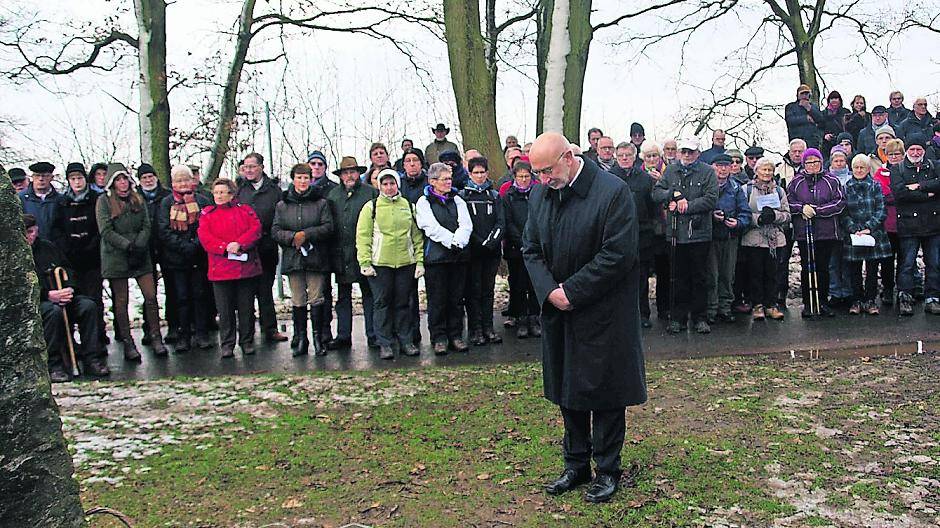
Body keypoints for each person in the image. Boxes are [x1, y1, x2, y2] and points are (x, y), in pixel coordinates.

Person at [523, 131, 646, 504]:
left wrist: (571, 292)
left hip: (604, 312)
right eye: (538, 173)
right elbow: (530, 249)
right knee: (568, 390)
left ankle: (608, 469)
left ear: (568, 156)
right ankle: (576, 464)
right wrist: (550, 292)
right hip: (560, 313)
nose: (543, 180)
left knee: (607, 394)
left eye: (547, 171)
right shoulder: (541, 195)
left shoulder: (611, 192)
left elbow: (618, 255)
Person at [96, 163, 167, 359]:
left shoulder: (138, 198)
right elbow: (105, 230)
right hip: (116, 255)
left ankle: (155, 336)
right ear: (112, 182)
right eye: (118, 180)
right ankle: (128, 342)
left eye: (125, 178)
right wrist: (126, 245)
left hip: (140, 253)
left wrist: (139, 244)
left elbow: (146, 224)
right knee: (121, 301)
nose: (123, 183)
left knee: (150, 296)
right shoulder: (104, 201)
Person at [26, 214, 110, 381]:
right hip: (39, 302)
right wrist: (47, 295)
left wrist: (70, 288)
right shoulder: (15, 254)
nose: (31, 236)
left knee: (88, 306)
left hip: (62, 295)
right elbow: (21, 285)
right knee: (53, 312)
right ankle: (54, 364)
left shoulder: (48, 247)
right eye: (27, 232)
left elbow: (67, 269)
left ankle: (91, 358)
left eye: (33, 231)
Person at [652, 138, 719, 334]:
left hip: (699, 234)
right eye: (684, 151)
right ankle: (678, 317)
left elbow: (711, 199)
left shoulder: (707, 172)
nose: (687, 155)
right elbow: (657, 193)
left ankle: (700, 317)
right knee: (677, 277)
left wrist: (686, 205)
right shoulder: (671, 171)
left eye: (691, 151)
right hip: (675, 234)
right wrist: (673, 195)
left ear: (698, 153)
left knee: (700, 277)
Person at [356, 169, 424, 360]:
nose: (389, 187)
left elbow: (416, 236)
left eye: (392, 183)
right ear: (379, 185)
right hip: (380, 264)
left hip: (405, 263)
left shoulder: (408, 206)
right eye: (384, 184)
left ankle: (406, 340)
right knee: (382, 304)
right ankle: (384, 343)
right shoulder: (371, 207)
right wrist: (365, 262)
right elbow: (363, 237)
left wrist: (419, 261)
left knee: (404, 303)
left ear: (397, 184)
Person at [272, 163, 335, 356]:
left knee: (316, 298)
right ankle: (301, 337)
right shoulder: (282, 205)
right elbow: (275, 230)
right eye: (299, 177)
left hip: (316, 258)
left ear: (311, 179)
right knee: (298, 299)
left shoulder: (320, 203)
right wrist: (292, 238)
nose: (302, 181)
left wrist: (306, 234)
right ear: (293, 179)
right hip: (293, 259)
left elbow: (328, 227)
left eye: (306, 178)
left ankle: (317, 338)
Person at [198, 178, 263, 358]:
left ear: (231, 194)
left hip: (245, 269)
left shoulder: (245, 211)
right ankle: (227, 344)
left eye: (222, 192)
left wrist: (240, 244)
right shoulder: (207, 214)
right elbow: (205, 237)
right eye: (216, 192)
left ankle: (247, 341)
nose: (218, 196)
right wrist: (224, 247)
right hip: (220, 269)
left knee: (246, 308)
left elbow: (255, 229)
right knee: (225, 311)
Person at [415, 162, 472, 354]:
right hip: (437, 259)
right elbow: (430, 227)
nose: (449, 182)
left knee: (456, 299)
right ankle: (439, 337)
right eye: (444, 179)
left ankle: (455, 335)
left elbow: (466, 224)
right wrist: (451, 241)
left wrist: (459, 241)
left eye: (450, 178)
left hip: (458, 258)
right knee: (438, 299)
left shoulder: (458, 200)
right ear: (433, 181)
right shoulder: (424, 202)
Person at [157, 165, 213, 353]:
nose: (182, 184)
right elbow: (163, 230)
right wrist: (182, 246)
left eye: (185, 180)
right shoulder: (166, 203)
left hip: (199, 256)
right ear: (173, 183)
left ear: (192, 181)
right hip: (176, 259)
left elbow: (207, 226)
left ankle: (202, 333)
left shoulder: (203, 201)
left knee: (200, 295)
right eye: (178, 180)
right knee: (181, 297)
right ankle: (183, 335)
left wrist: (195, 244)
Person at [236, 152, 289, 343]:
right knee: (245, 293)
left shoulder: (274, 190)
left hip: (266, 247)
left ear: (261, 167)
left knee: (265, 290)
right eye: (246, 167)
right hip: (244, 249)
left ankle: (270, 329)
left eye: (252, 166)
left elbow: (280, 217)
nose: (249, 170)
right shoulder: (239, 190)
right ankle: (246, 332)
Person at [327, 156, 379, 350]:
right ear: (340, 176)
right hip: (341, 254)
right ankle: (343, 335)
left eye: (353, 172)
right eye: (345, 172)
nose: (349, 175)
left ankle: (373, 334)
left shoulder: (371, 193)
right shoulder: (333, 196)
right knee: (343, 297)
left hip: (365, 253)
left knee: (369, 295)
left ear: (359, 173)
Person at [786, 148, 846, 318]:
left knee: (823, 267)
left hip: (826, 232)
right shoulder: (796, 181)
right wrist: (801, 208)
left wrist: (818, 211)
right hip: (804, 231)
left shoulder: (831, 180)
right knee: (807, 267)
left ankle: (823, 302)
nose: (812, 165)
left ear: (821, 162)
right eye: (809, 162)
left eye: (816, 162)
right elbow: (789, 201)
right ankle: (808, 303)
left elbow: (839, 202)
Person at [52, 162, 106, 346]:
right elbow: (57, 229)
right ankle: (75, 343)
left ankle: (96, 341)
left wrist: (91, 246)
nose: (77, 182)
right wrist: (67, 249)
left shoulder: (97, 198)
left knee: (94, 301)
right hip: (71, 259)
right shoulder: (61, 202)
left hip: (92, 259)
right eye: (73, 179)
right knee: (75, 301)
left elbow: (102, 227)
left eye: (80, 178)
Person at [890, 133, 940, 316]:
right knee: (907, 264)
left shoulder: (935, 165)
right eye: (912, 149)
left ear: (924, 150)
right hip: (909, 226)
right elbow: (900, 193)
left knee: (934, 263)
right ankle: (905, 297)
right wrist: (927, 194)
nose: (916, 152)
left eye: (919, 149)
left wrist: (919, 186)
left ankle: (932, 298)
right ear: (907, 150)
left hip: (934, 224)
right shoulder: (898, 169)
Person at [610, 142, 657, 327]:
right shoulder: (609, 177)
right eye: (621, 155)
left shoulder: (645, 178)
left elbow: (652, 206)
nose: (624, 158)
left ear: (634, 156)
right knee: (618, 278)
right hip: (617, 235)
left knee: (641, 277)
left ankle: (643, 314)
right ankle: (619, 315)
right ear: (616, 156)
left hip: (641, 235)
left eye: (628, 155)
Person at [460, 157, 505, 346]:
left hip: (491, 251)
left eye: (482, 172)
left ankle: (488, 327)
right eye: (475, 173)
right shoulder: (463, 196)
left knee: (488, 290)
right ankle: (475, 329)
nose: (480, 176)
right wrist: (478, 241)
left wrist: (492, 241)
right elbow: (463, 223)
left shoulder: (494, 196)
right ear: (470, 174)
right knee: (473, 291)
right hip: (473, 251)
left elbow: (501, 221)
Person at [841, 154, 892, 315]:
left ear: (868, 169)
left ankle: (870, 300)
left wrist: (869, 227)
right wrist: (853, 228)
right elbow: (844, 212)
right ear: (852, 169)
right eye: (856, 167)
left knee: (872, 270)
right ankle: (856, 300)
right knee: (854, 270)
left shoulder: (875, 186)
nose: (859, 170)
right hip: (854, 234)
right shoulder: (846, 187)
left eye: (862, 167)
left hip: (874, 234)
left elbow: (881, 210)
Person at [741, 158, 791, 321]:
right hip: (754, 238)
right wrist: (758, 219)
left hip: (774, 239)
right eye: (763, 170)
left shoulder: (779, 191)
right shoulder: (746, 190)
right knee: (755, 274)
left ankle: (771, 304)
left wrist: (774, 216)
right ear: (756, 171)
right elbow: (742, 212)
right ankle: (757, 305)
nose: (767, 173)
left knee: (773, 273)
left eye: (769, 170)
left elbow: (787, 215)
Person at [707, 154, 752, 323]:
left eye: (726, 165)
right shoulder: (706, 186)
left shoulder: (735, 188)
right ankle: (711, 308)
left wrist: (738, 222)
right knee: (712, 275)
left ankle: (725, 307)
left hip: (729, 237)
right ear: (712, 167)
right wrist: (712, 216)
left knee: (727, 274)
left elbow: (745, 212)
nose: (723, 169)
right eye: (719, 165)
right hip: (710, 237)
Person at [137, 163, 177, 345]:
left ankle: (173, 326)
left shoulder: (167, 195)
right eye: (144, 177)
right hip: (145, 249)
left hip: (166, 246)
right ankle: (149, 328)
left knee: (172, 288)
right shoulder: (135, 197)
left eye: (150, 176)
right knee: (148, 292)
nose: (148, 180)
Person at [502, 161, 541, 338]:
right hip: (515, 248)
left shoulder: (539, 193)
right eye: (520, 177)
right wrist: (521, 241)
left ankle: (534, 317)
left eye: (526, 176)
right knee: (518, 285)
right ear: (514, 177)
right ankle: (521, 318)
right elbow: (508, 222)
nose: (524, 180)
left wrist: (534, 241)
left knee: (534, 284)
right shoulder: (508, 196)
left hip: (536, 246)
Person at [306, 150, 339, 345]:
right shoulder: (299, 190)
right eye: (313, 164)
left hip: (327, 246)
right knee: (307, 294)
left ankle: (326, 330)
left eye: (320, 164)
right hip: (305, 249)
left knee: (325, 291)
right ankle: (308, 334)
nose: (316, 167)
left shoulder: (332, 190)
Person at [640, 141, 673, 321]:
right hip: (645, 230)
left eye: (654, 156)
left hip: (663, 229)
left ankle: (664, 308)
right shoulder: (639, 173)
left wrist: (660, 181)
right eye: (648, 156)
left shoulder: (668, 172)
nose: (652, 159)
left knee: (664, 270)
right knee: (643, 273)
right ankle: (643, 311)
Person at [872, 139, 905, 305]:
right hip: (887, 224)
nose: (894, 157)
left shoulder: (908, 170)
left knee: (905, 260)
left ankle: (903, 289)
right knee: (887, 260)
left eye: (897, 154)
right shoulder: (881, 173)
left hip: (906, 223)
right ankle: (887, 288)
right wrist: (903, 193)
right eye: (891, 154)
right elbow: (882, 194)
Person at [773, 139, 805, 306]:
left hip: (805, 219)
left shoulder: (811, 166)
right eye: (794, 151)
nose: (797, 154)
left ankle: (811, 297)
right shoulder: (779, 169)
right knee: (782, 259)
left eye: (800, 151)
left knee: (808, 259)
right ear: (789, 151)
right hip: (785, 221)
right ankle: (780, 294)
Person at [826, 147, 854, 307]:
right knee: (833, 261)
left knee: (848, 260)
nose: (839, 163)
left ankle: (848, 291)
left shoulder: (851, 177)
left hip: (850, 223)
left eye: (842, 160)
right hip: (833, 225)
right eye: (836, 161)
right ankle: (835, 292)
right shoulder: (827, 179)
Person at [19, 161, 60, 240]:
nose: (41, 179)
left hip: (55, 247)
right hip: (30, 246)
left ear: (52, 178)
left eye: (45, 176)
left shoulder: (60, 199)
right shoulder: (21, 199)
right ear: (32, 177)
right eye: (37, 175)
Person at [785, 84, 825, 148]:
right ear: (798, 95)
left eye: (806, 94)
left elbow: (821, 120)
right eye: (802, 94)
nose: (804, 96)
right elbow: (790, 120)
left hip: (812, 141)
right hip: (797, 139)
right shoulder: (791, 107)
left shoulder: (814, 107)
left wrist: (809, 108)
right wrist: (806, 118)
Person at [820, 91, 850, 157]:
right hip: (827, 144)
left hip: (843, 141)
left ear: (840, 100)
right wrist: (824, 136)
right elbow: (819, 128)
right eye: (832, 98)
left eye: (836, 98)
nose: (834, 100)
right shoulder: (823, 113)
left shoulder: (845, 112)